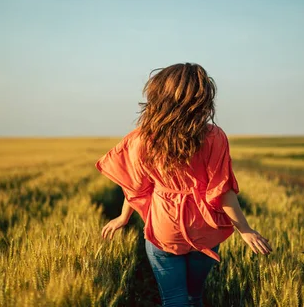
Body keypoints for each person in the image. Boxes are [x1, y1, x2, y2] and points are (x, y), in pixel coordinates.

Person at [95, 63, 272, 307]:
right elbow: (222, 190)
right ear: (201, 100)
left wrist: (123, 217)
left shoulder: (142, 139)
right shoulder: (214, 137)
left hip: (164, 228)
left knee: (174, 299)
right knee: (194, 296)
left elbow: (135, 186)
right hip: (204, 228)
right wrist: (245, 229)